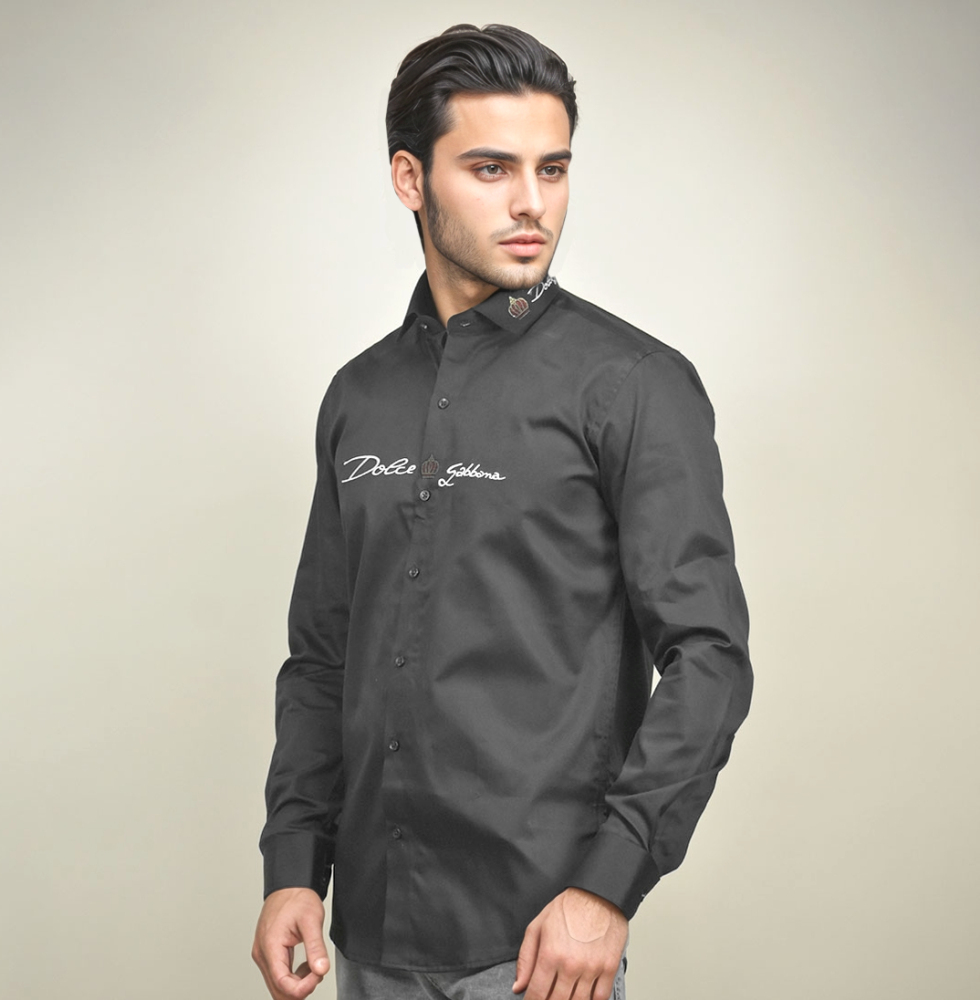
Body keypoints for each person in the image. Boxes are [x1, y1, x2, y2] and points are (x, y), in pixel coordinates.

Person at [252, 23, 752, 1000]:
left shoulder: (633, 385)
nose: (532, 203)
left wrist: (606, 886)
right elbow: (322, 655)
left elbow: (709, 657)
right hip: (368, 933)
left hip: (537, 942)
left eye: (551, 169)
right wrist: (293, 867)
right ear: (410, 178)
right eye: (491, 168)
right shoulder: (359, 395)